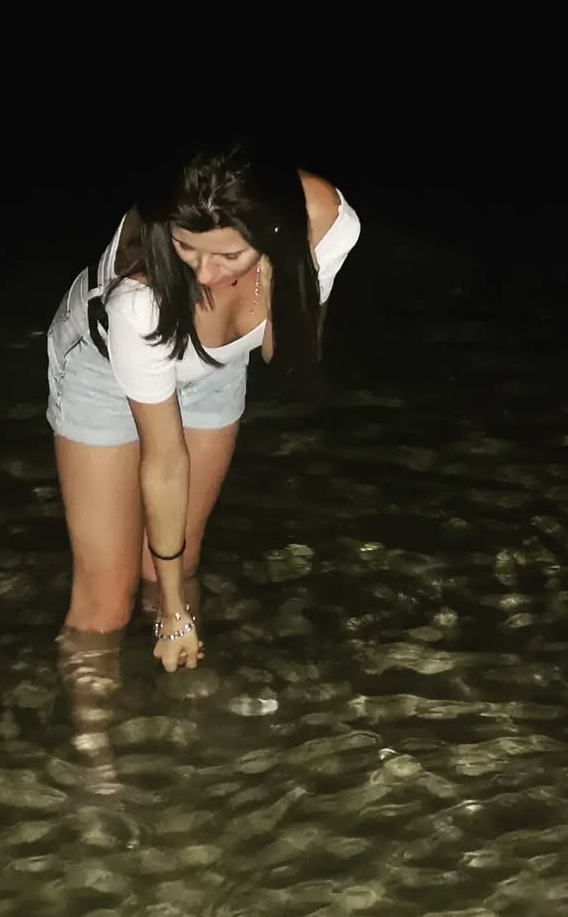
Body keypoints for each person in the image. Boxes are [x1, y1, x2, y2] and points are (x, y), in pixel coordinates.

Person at [46, 141, 361, 674]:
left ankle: (181, 708)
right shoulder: (139, 298)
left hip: (215, 367)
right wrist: (173, 613)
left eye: (229, 256)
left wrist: (281, 277)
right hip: (104, 370)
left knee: (177, 563)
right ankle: (93, 724)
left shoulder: (326, 224)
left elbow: (282, 352)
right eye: (186, 248)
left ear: (274, 229)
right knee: (105, 602)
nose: (206, 274)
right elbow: (165, 460)